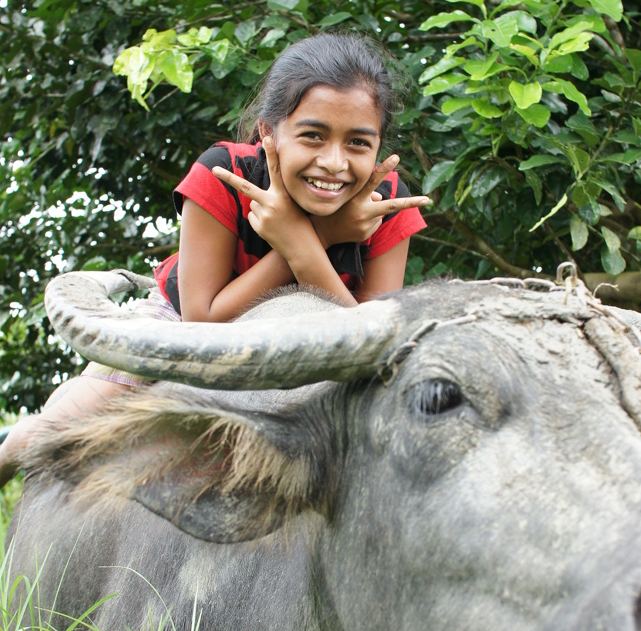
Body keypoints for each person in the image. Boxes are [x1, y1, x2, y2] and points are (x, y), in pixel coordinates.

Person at [0, 31, 428, 486]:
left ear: (379, 146)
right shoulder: (221, 174)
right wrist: (317, 238)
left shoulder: (387, 204)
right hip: (180, 316)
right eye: (312, 136)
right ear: (269, 132)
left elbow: (374, 343)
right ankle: (13, 447)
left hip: (312, 336)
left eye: (358, 143)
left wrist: (306, 242)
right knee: (67, 424)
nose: (334, 163)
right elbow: (199, 321)